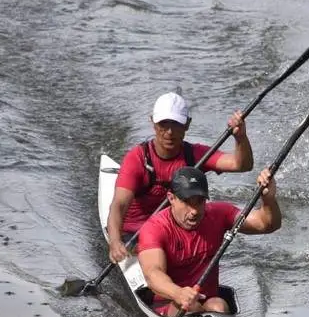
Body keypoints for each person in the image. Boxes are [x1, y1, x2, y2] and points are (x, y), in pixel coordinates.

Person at [106, 92, 253, 264]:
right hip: (134, 235)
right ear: (153, 122)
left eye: (176, 124)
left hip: (175, 233)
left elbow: (241, 164)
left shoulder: (196, 155)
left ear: (187, 125)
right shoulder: (137, 159)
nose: (169, 132)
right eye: (163, 124)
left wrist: (240, 137)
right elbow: (119, 205)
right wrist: (115, 241)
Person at [136, 165, 281, 317]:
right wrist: (178, 293)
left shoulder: (219, 214)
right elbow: (153, 274)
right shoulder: (154, 228)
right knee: (190, 307)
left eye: (199, 202)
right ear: (171, 198)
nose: (194, 211)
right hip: (169, 305)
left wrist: (268, 199)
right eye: (187, 202)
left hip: (208, 301)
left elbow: (267, 225)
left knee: (219, 305)